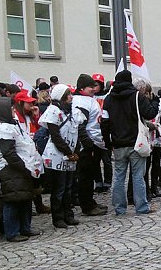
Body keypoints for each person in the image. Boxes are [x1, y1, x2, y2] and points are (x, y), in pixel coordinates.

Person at [101, 70, 159, 216]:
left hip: (118, 143)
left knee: (119, 176)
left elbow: (105, 122)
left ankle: (119, 208)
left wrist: (108, 142)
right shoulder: (136, 96)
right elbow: (150, 113)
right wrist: (155, 102)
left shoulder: (108, 99)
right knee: (138, 176)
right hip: (136, 142)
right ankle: (141, 207)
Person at [0, 97, 43, 242]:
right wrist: (23, 167)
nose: (13, 110)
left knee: (25, 197)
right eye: (10, 108)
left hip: (20, 166)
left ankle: (25, 227)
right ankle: (12, 232)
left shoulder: (11, 124)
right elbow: (8, 152)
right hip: (9, 168)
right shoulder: (1, 129)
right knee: (13, 200)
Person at [39, 84, 80, 228]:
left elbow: (75, 131)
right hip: (58, 155)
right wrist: (68, 152)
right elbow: (56, 136)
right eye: (68, 94)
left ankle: (68, 215)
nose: (71, 97)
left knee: (68, 187)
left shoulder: (71, 111)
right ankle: (58, 217)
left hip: (70, 154)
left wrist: (76, 150)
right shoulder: (53, 111)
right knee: (59, 188)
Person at [72, 74, 108, 216]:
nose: (93, 89)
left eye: (94, 86)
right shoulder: (81, 102)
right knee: (85, 177)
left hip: (93, 142)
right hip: (86, 144)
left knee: (90, 175)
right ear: (81, 88)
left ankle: (89, 201)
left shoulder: (88, 99)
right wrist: (88, 145)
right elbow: (80, 125)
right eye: (90, 87)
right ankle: (86, 205)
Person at [91, 73, 112, 193]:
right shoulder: (91, 98)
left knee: (107, 160)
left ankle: (107, 182)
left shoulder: (107, 97)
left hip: (104, 132)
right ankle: (98, 181)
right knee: (95, 161)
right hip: (94, 132)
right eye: (93, 85)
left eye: (96, 85)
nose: (94, 88)